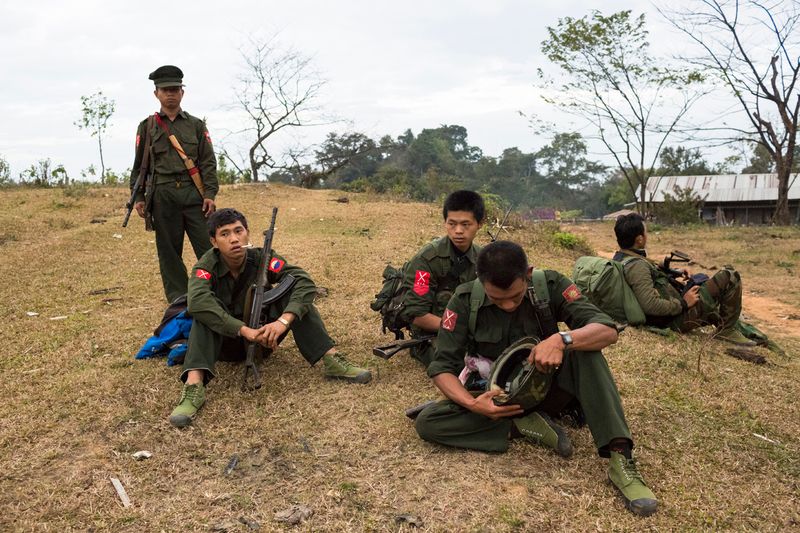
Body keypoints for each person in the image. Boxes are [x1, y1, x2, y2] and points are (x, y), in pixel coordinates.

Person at [415, 241, 658, 517]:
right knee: (428, 422)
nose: (508, 305)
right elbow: (441, 367)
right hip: (498, 400)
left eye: (515, 297)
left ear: (527, 274)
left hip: (550, 389)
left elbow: (607, 330)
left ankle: (621, 458)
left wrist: (562, 339)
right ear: (480, 281)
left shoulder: (549, 285)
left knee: (586, 352)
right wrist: (473, 405)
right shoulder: (463, 300)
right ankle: (521, 426)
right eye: (497, 299)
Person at [169, 208, 372, 427]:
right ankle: (193, 386)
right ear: (214, 242)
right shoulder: (205, 267)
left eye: (238, 231)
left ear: (247, 233)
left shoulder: (262, 258)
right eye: (224, 234)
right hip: (224, 344)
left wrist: (282, 322)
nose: (234, 239)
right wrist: (244, 330)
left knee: (295, 298)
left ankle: (331, 359)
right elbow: (197, 302)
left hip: (265, 339)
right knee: (205, 312)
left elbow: (303, 281)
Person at [130, 65, 219, 303]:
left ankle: (217, 293)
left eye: (174, 89)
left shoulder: (196, 125)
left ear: (182, 92)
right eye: (165, 90)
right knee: (169, 253)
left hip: (194, 194)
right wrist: (138, 197)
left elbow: (208, 162)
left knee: (209, 248)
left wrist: (210, 194)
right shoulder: (147, 126)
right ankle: (179, 301)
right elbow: (139, 165)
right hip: (162, 195)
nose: (170, 94)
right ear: (156, 93)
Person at [612, 213, 754, 345]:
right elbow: (649, 305)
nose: (647, 235)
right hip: (675, 319)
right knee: (729, 275)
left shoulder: (622, 258)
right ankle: (726, 331)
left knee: (703, 282)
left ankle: (738, 329)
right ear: (639, 239)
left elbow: (647, 276)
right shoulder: (637, 266)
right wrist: (684, 303)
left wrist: (671, 271)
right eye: (645, 232)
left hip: (671, 313)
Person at [399, 190, 485, 367]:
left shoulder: (483, 258)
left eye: (466, 224)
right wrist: (459, 328)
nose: (458, 231)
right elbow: (417, 314)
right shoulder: (426, 260)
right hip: (433, 333)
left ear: (479, 224)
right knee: (460, 365)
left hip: (469, 329)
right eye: (452, 224)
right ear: (445, 222)